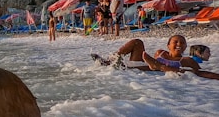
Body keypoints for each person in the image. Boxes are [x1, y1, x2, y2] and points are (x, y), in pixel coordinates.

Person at [91, 35, 219, 80]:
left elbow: (201, 73)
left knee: (185, 71)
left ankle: (158, 67)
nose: (179, 44)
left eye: (182, 42)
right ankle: (111, 60)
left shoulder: (187, 60)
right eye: (176, 41)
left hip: (150, 71)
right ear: (168, 45)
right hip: (141, 66)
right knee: (137, 42)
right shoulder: (160, 53)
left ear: (186, 47)